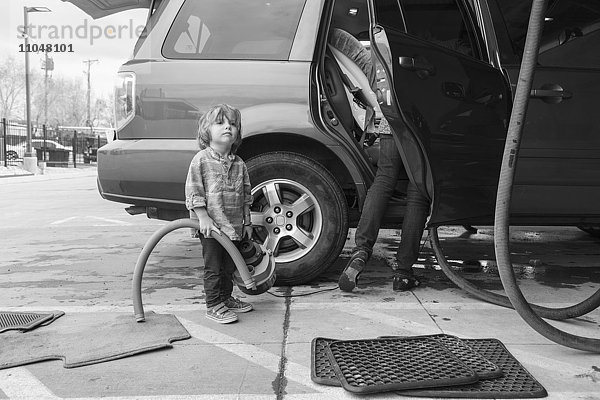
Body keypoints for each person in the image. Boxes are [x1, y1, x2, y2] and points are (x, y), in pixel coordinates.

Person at [338, 116, 430, 292]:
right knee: (418, 191)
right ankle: (403, 272)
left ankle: (361, 250)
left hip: (392, 122)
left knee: (384, 180)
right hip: (420, 124)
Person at [185, 104, 254, 324]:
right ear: (206, 131)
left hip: (233, 226)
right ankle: (213, 304)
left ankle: (226, 298)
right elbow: (194, 191)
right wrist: (203, 217)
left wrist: (248, 221)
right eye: (220, 123)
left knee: (229, 266)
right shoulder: (201, 160)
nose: (228, 127)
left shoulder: (240, 164)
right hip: (211, 228)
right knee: (213, 267)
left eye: (233, 124)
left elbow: (245, 195)